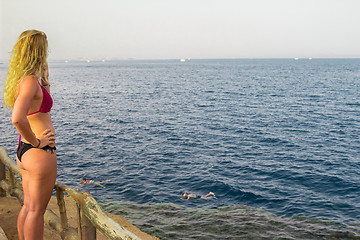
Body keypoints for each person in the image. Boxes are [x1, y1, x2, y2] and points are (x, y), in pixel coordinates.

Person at [4, 30, 56, 240]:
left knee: (28, 207)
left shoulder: (25, 80)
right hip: (38, 152)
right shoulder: (28, 83)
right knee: (36, 211)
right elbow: (17, 118)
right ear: (38, 51)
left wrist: (45, 78)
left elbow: (37, 107)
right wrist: (38, 141)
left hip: (26, 151)